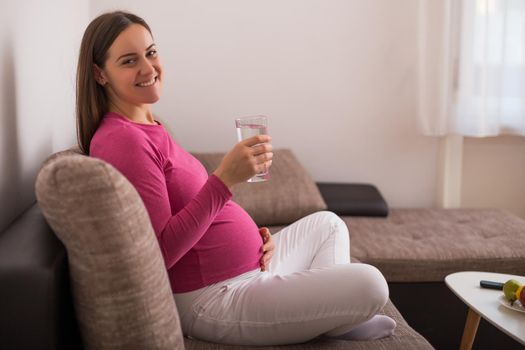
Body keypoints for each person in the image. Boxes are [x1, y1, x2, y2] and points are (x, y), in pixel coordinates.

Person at [77, 11, 396, 346]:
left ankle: (333, 318)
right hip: (213, 298)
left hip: (249, 270)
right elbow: (159, 253)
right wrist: (225, 180)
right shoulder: (122, 141)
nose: (148, 68)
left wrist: (256, 239)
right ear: (100, 74)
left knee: (329, 224)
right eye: (130, 61)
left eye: (151, 52)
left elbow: (195, 208)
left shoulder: (153, 128)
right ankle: (335, 318)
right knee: (371, 283)